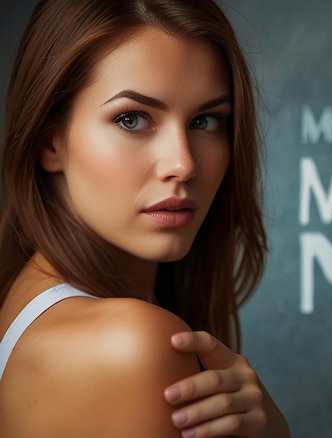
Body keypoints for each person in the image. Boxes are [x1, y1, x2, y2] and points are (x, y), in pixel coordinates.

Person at [0, 0, 290, 436]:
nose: (183, 164)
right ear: (49, 141)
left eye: (206, 120)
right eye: (131, 119)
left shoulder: (24, 300)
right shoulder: (135, 344)